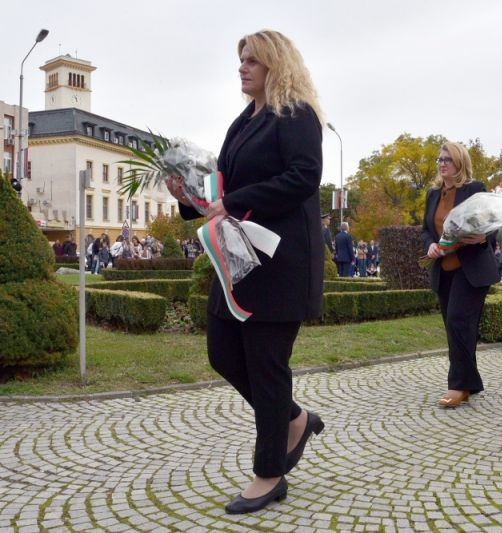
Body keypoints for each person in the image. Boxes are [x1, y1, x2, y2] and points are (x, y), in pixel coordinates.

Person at [165, 29, 325, 514]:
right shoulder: (241, 123)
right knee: (223, 354)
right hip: (237, 262)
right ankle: (294, 419)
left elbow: (303, 176)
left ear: (276, 64)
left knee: (267, 366)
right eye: (241, 60)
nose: (242, 67)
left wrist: (233, 201)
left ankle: (269, 473)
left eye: (252, 60)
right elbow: (223, 186)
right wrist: (188, 197)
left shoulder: (296, 114)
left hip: (280, 263)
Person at [421, 142, 499, 408]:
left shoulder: (474, 189)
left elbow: (492, 222)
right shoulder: (433, 193)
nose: (442, 164)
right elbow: (425, 229)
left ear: (460, 163)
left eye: (448, 160)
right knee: (455, 325)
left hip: (472, 268)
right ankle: (471, 381)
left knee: (458, 320)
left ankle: (458, 386)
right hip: (444, 269)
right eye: (439, 159)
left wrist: (483, 236)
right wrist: (430, 245)